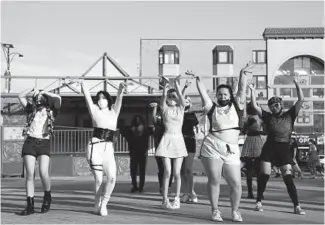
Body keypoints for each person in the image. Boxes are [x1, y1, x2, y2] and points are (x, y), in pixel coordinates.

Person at [189, 62, 252, 222]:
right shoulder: (211, 108)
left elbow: (242, 90)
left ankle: (235, 211)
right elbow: (203, 93)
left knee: (236, 183)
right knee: (214, 179)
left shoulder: (237, 105)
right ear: (216, 96)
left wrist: (242, 73)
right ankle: (215, 210)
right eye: (220, 94)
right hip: (213, 146)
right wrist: (198, 79)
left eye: (225, 94)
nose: (222, 96)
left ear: (230, 95)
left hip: (231, 149)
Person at [248, 78, 306, 215]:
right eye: (271, 106)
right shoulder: (267, 117)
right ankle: (258, 202)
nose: (273, 108)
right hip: (269, 148)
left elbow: (301, 99)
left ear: (281, 105)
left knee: (288, 178)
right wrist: (252, 91)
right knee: (265, 176)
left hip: (284, 149)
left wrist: (297, 84)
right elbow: (256, 107)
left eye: (276, 105)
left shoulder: (290, 115)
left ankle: (297, 206)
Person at [80, 80, 126, 216]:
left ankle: (104, 204)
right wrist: (83, 85)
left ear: (108, 100)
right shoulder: (94, 110)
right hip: (95, 147)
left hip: (109, 149)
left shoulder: (114, 112)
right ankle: (97, 204)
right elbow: (87, 98)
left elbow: (119, 100)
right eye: (99, 98)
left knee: (112, 178)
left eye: (104, 98)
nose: (101, 100)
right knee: (99, 179)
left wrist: (120, 89)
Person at [18, 88, 61, 216]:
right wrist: (32, 89)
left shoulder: (52, 111)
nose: (38, 99)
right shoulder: (31, 108)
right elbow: (20, 95)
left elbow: (59, 99)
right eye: (37, 97)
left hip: (44, 142)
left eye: (41, 98)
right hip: (30, 142)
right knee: (30, 173)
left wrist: (45, 91)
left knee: (43, 172)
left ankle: (47, 197)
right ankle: (30, 205)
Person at [155, 78, 188, 210]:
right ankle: (164, 200)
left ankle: (177, 199)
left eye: (174, 96)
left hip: (178, 140)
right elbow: (163, 97)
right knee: (167, 172)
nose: (172, 98)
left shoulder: (181, 108)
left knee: (176, 173)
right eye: (170, 96)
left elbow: (181, 97)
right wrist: (165, 87)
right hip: (167, 139)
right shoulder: (164, 109)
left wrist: (178, 87)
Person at [121, 115, 153, 193]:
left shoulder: (145, 129)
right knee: (135, 170)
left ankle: (139, 186)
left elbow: (152, 131)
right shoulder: (132, 129)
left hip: (140, 151)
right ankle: (136, 186)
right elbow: (123, 131)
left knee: (138, 170)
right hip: (135, 151)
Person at [241, 102, 266, 199]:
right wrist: (247, 126)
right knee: (250, 170)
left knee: (257, 170)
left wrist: (253, 130)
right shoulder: (247, 118)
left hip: (255, 141)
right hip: (251, 141)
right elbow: (244, 131)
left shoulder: (259, 118)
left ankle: (258, 193)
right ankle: (251, 193)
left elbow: (264, 131)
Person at [180, 80, 199, 204]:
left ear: (190, 103)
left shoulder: (192, 115)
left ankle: (192, 191)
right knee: (181, 170)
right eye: (184, 100)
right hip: (179, 141)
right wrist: (185, 87)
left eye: (187, 101)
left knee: (188, 168)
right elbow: (180, 98)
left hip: (190, 141)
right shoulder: (179, 113)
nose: (185, 102)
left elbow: (197, 129)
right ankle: (185, 192)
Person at [150, 102, 173, 194]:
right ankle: (162, 186)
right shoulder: (159, 116)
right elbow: (154, 119)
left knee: (169, 168)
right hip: (159, 146)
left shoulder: (170, 115)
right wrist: (154, 108)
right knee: (161, 169)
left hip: (170, 146)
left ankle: (169, 187)